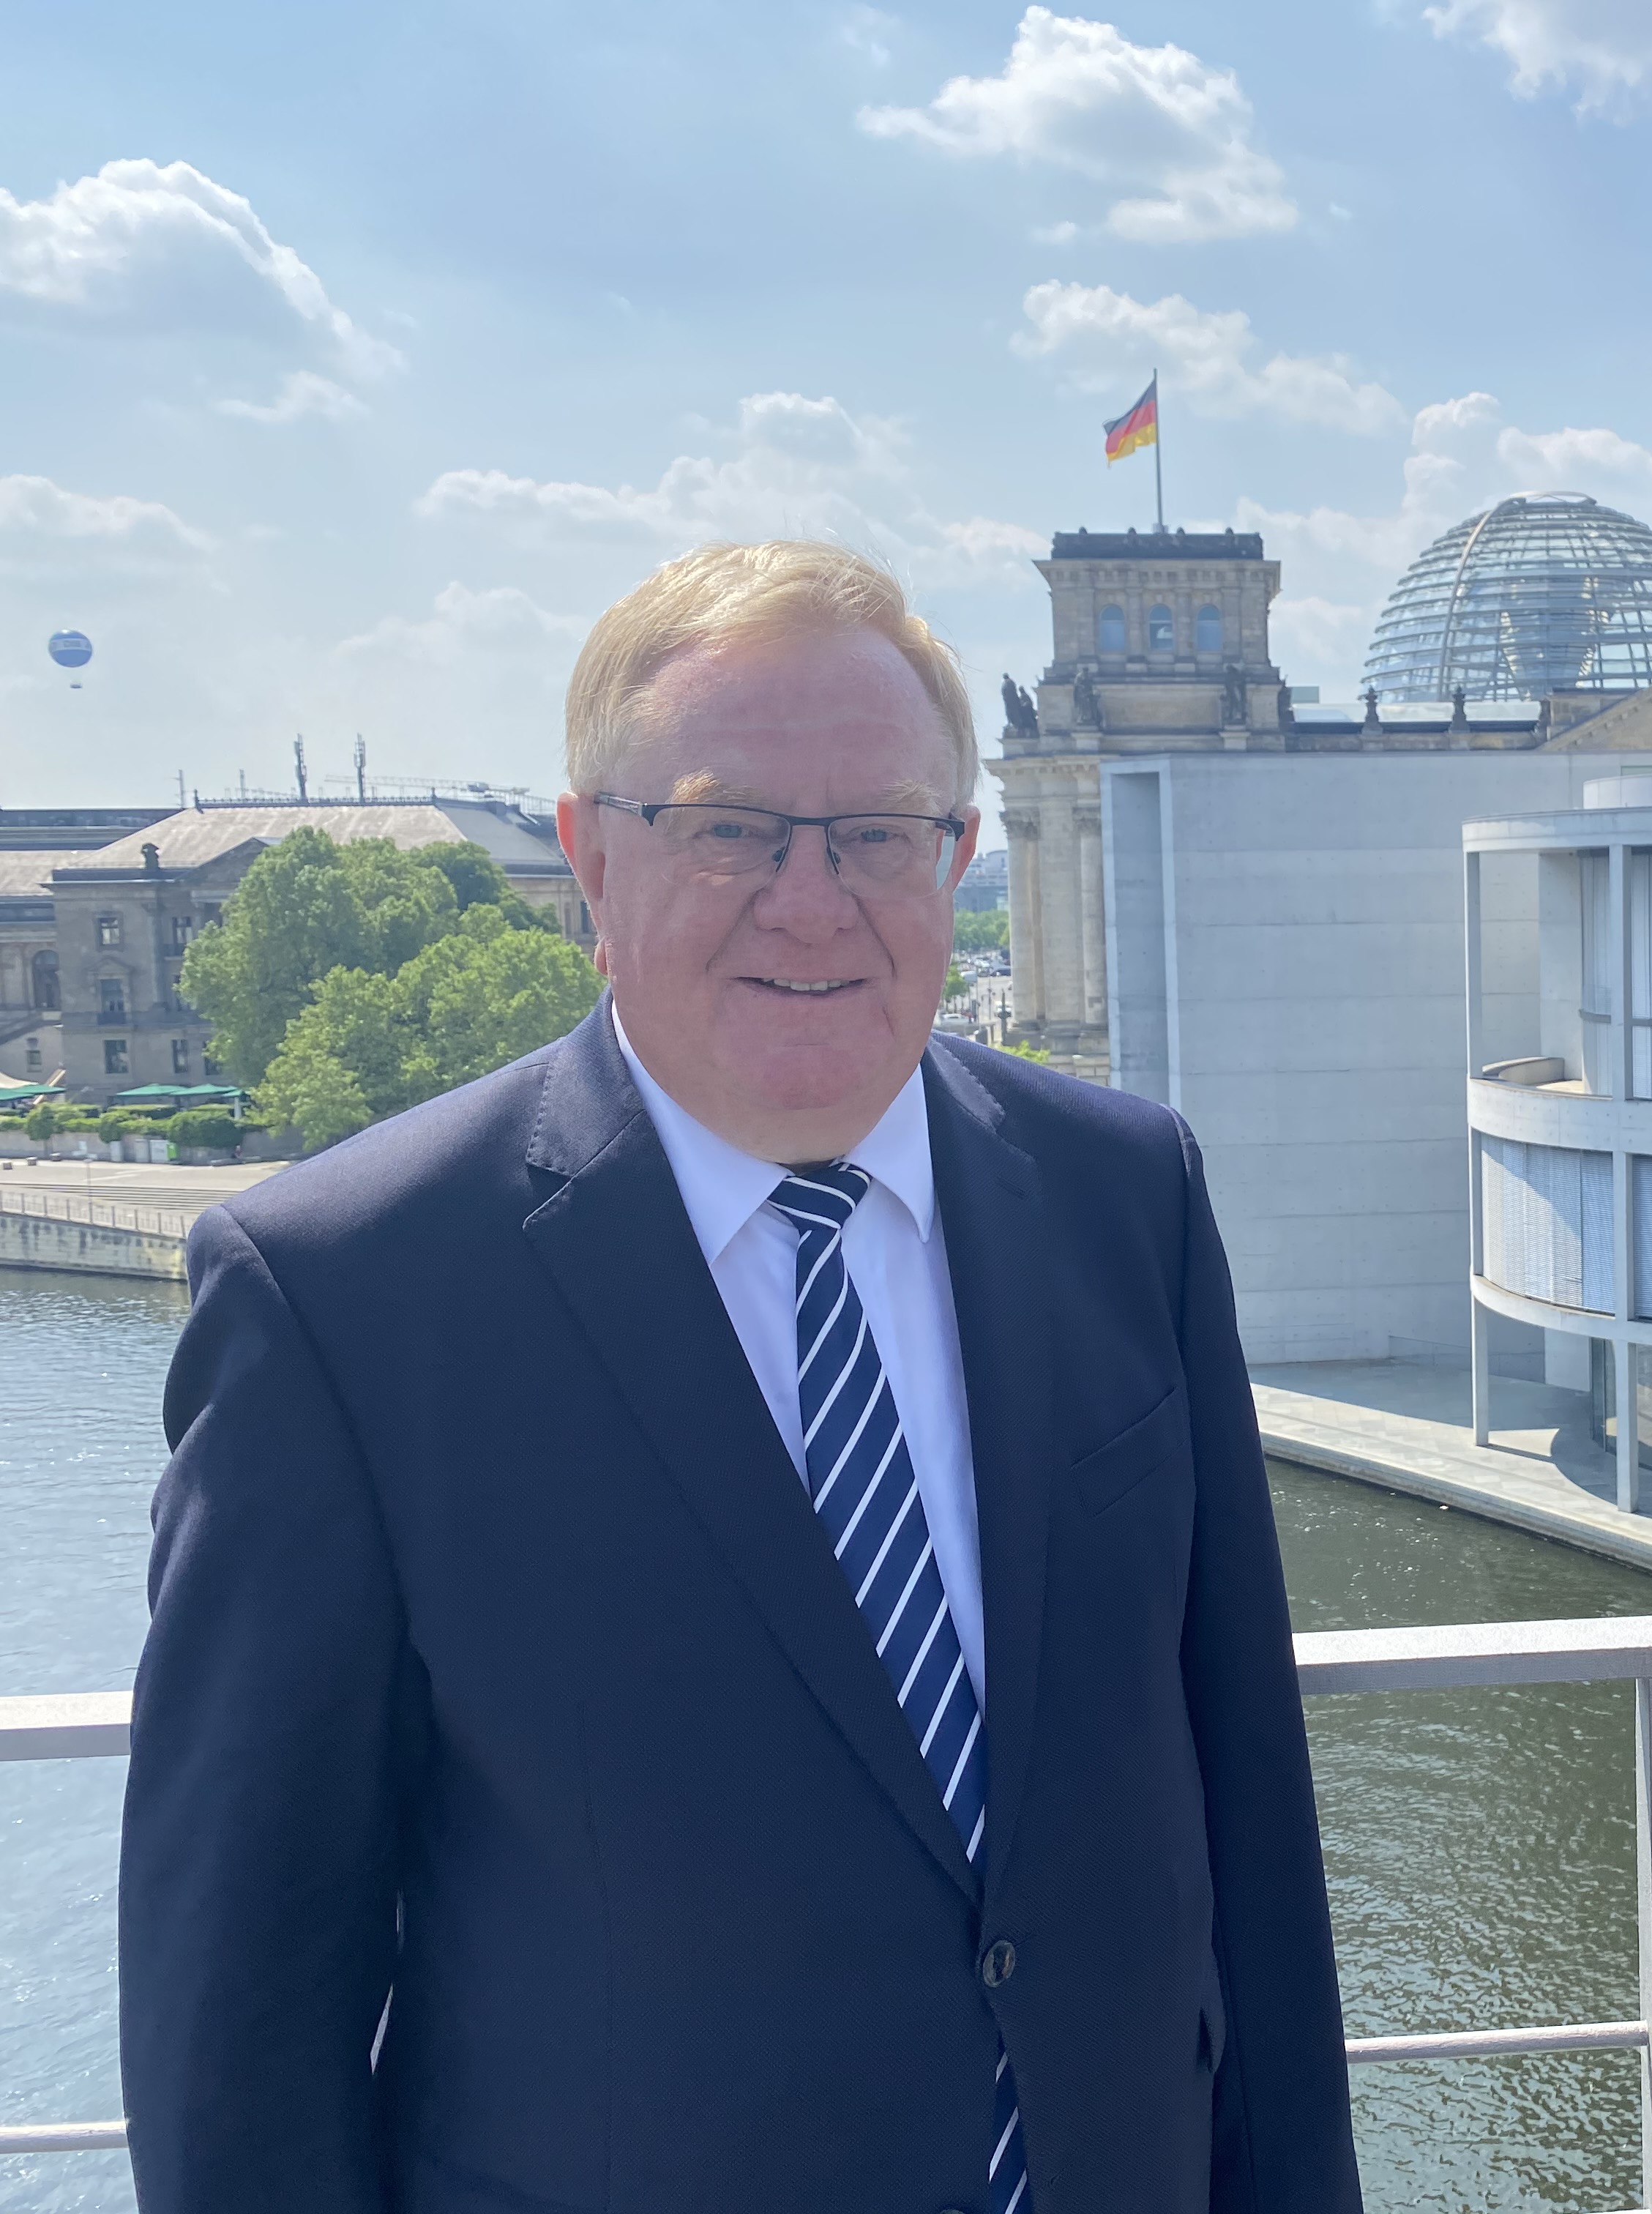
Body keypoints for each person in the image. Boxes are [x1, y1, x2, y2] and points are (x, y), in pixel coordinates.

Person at [118, 541, 1364, 2214]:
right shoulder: (345, 1300)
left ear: (958, 857)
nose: (810, 898)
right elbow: (239, 2032)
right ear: (588, 864)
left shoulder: (1129, 1195)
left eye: (875, 834)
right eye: (729, 830)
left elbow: (1249, 1833)